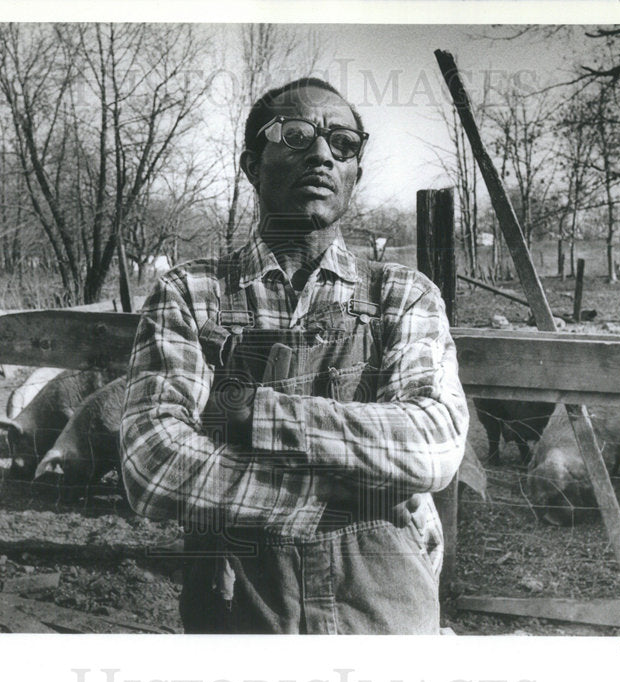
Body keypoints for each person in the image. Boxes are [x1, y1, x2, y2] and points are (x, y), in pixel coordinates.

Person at [120, 77, 468, 634]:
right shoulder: (192, 293)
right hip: (241, 607)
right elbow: (152, 463)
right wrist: (334, 502)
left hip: (383, 611)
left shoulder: (403, 294)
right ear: (252, 165)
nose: (323, 154)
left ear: (355, 169)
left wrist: (259, 414)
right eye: (296, 135)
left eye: (343, 143)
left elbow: (434, 443)